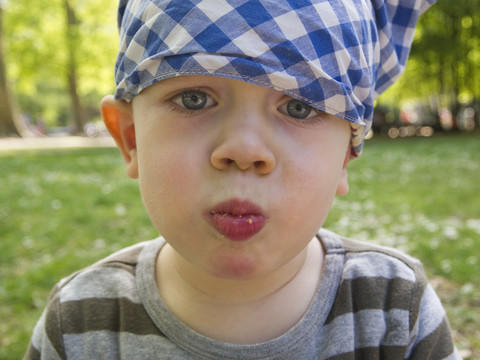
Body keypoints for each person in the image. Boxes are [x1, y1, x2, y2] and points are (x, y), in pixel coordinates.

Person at [25, 0, 461, 359]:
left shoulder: (394, 312)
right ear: (131, 138)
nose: (244, 150)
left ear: (346, 154)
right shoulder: (80, 325)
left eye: (298, 108)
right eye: (195, 99)